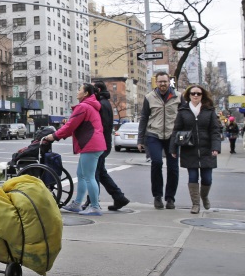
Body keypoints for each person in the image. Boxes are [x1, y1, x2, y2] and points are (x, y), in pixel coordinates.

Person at [43, 83, 107, 216]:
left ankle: (95, 207)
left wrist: (54, 136)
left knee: (89, 177)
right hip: (93, 144)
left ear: (86, 94)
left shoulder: (83, 106)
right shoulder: (90, 106)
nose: (77, 92)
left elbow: (71, 126)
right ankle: (77, 204)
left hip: (91, 145)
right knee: (81, 175)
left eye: (79, 90)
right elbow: (76, 124)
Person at [170, 85, 222, 214]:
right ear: (189, 95)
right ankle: (195, 204)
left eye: (198, 94)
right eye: (193, 93)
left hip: (207, 150)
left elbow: (215, 131)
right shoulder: (183, 111)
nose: (195, 96)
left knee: (207, 179)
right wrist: (173, 148)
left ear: (202, 95)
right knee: (192, 177)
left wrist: (216, 148)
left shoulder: (209, 111)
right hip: (189, 149)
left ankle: (204, 196)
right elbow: (176, 130)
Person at [137, 71, 180, 209]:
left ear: (169, 82)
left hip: (172, 136)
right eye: (160, 81)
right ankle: (157, 196)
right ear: (156, 82)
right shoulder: (149, 97)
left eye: (165, 81)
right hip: (153, 134)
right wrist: (140, 139)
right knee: (156, 162)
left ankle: (170, 198)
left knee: (173, 168)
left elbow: (184, 116)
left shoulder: (178, 97)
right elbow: (144, 118)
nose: (162, 84)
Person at [92, 81, 130, 211]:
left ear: (97, 89)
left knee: (94, 174)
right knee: (101, 173)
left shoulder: (101, 104)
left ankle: (93, 201)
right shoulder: (106, 103)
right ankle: (119, 197)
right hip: (105, 143)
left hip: (100, 144)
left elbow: (100, 126)